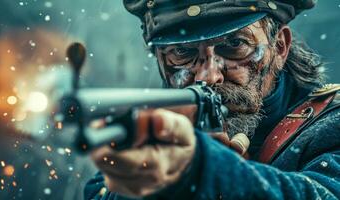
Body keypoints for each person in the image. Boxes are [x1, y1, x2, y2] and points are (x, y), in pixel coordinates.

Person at [84, 0, 340, 199]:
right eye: (182, 52)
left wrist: (203, 171)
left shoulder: (331, 124)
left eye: (234, 44)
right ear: (160, 59)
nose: (208, 76)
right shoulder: (150, 140)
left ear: (280, 47)